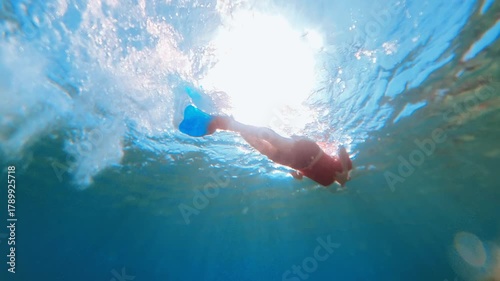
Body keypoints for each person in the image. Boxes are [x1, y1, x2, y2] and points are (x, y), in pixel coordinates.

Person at [205, 115, 353, 187]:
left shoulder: (327, 182)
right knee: (275, 140)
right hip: (306, 150)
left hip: (295, 163)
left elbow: (310, 173)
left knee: (262, 148)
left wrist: (299, 176)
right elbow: (341, 149)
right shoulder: (347, 167)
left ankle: (234, 124)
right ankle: (230, 124)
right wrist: (345, 171)